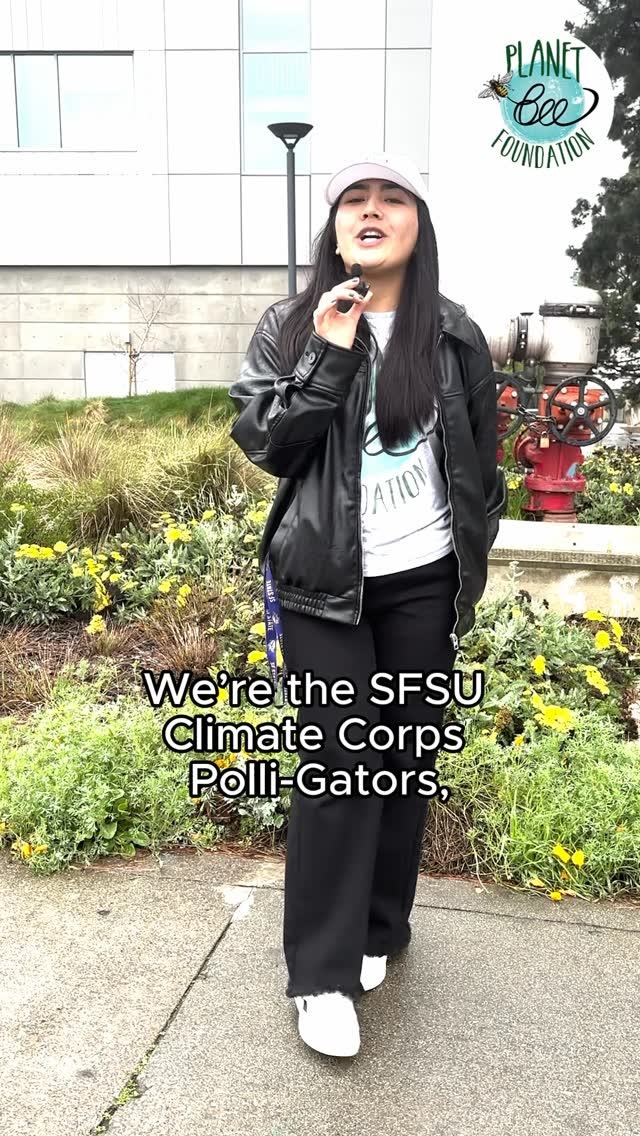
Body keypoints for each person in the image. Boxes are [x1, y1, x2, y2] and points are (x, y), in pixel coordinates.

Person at [228, 152, 507, 1058]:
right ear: (335, 223)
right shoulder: (289, 325)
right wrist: (329, 352)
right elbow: (270, 444)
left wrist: (472, 565)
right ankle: (319, 972)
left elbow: (483, 470)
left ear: (419, 225)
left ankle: (381, 929)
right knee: (343, 773)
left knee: (405, 765)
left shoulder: (455, 334)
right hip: (323, 586)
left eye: (393, 199)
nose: (373, 212)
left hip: (424, 581)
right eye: (356, 200)